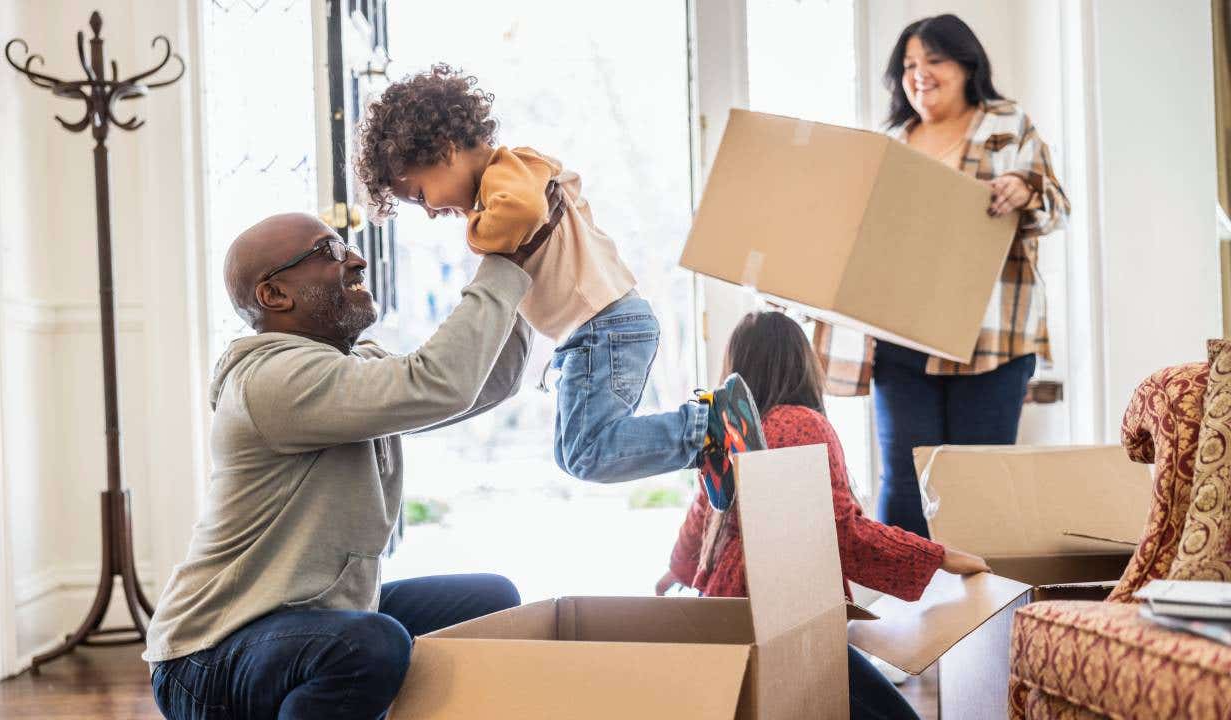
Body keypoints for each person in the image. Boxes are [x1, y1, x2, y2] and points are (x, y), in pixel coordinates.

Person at [145, 212, 534, 719]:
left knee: (491, 601)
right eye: (328, 252)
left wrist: (524, 269)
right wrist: (501, 262)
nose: (357, 259)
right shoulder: (272, 380)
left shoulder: (349, 368)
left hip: (305, 622)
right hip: (209, 656)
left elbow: (481, 385)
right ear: (274, 295)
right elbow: (438, 383)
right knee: (365, 646)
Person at [353, 64, 763, 512]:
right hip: (600, 329)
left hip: (605, 326)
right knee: (571, 455)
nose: (429, 211)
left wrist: (475, 233)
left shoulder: (506, 173)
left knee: (589, 452)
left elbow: (525, 212)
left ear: (446, 151)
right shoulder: (508, 179)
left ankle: (705, 426)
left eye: (419, 195)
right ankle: (706, 441)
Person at [660, 311, 991, 720]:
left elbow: (701, 513)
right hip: (784, 615)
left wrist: (676, 570)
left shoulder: (725, 434)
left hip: (729, 613)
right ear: (802, 364)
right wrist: (936, 555)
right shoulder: (802, 424)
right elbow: (839, 531)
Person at [813, 14, 1071, 538]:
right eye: (909, 64)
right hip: (900, 336)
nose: (919, 74)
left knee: (978, 487)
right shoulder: (891, 139)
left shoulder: (1006, 123)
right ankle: (907, 612)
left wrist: (1025, 190)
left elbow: (1056, 208)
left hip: (991, 339)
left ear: (967, 64)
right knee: (905, 483)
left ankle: (982, 611)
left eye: (934, 60)